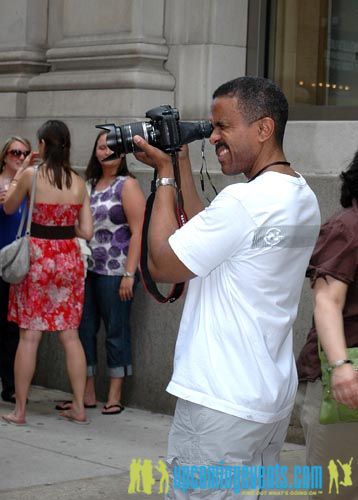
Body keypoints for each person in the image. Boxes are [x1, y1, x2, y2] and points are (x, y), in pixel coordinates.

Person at [133, 76, 321, 499]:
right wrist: (180, 158)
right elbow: (211, 233)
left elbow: (163, 264)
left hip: (218, 401)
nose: (213, 136)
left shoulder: (244, 202)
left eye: (223, 127)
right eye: (211, 127)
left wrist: (164, 176)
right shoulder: (301, 197)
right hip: (264, 402)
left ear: (263, 128)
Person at [1, 120, 93, 426]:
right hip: (68, 256)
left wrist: (18, 177)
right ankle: (79, 406)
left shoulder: (31, 175)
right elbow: (88, 231)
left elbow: (10, 208)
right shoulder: (78, 182)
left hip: (38, 257)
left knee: (30, 335)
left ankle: (20, 410)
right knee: (70, 335)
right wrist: (66, 224)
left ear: (41, 145)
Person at [56, 131, 145, 415]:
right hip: (86, 269)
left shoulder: (127, 185)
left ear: (122, 151)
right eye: (101, 146)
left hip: (116, 271)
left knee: (115, 331)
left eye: (112, 146)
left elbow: (139, 231)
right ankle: (88, 393)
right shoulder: (89, 184)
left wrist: (130, 274)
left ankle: (115, 396)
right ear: (95, 151)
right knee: (84, 331)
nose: (106, 151)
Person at [297, 150, 358, 499]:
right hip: (339, 379)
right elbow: (327, 301)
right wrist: (341, 367)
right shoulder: (347, 228)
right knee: (335, 486)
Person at [0, 136, 35, 404]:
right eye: (15, 152)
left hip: (17, 263)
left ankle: (11, 384)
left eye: (25, 153)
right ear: (4, 155)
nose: (20, 157)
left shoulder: (28, 184)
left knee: (13, 327)